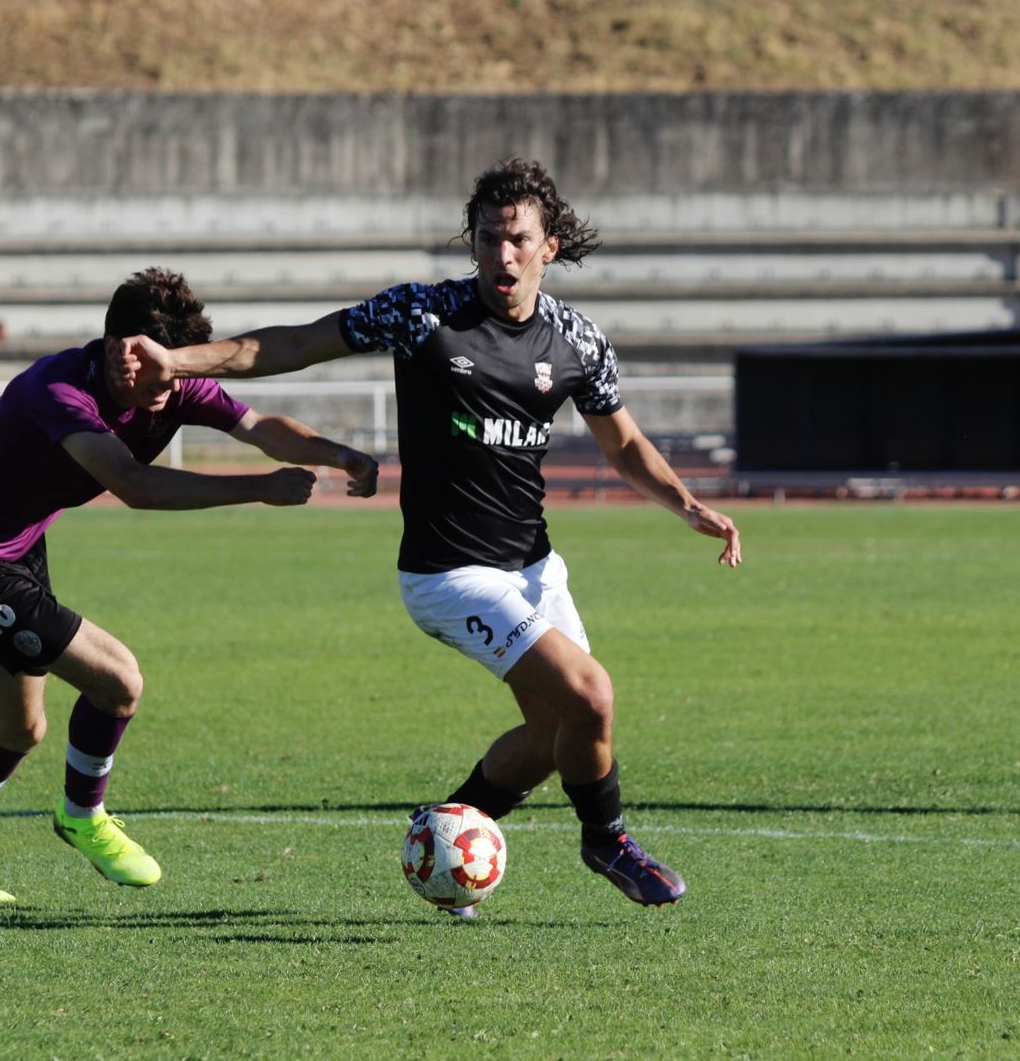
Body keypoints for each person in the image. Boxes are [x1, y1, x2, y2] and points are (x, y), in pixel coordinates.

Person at [118, 159, 742, 908]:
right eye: (487, 238)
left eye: (518, 239)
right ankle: (607, 841)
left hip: (533, 566)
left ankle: (447, 832)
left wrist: (687, 505)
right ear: (471, 242)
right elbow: (291, 345)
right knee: (592, 695)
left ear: (548, 247)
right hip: (448, 574)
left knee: (556, 736)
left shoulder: (577, 340)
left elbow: (625, 443)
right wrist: (178, 361)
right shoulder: (423, 314)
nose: (501, 254)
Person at [0, 268, 379, 901]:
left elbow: (259, 425)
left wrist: (336, 453)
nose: (171, 386)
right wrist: (258, 489)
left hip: (15, 553)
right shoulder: (59, 390)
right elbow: (134, 484)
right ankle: (83, 815)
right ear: (119, 352)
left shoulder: (167, 378)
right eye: (160, 371)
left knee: (19, 729)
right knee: (119, 681)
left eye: (178, 369)